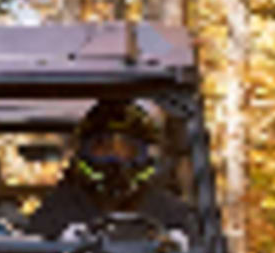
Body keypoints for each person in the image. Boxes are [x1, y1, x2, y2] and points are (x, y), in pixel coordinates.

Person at [26, 97, 192, 241]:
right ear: (84, 152)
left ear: (144, 155)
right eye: (103, 148)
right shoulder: (58, 209)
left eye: (126, 150)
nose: (115, 160)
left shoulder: (170, 211)